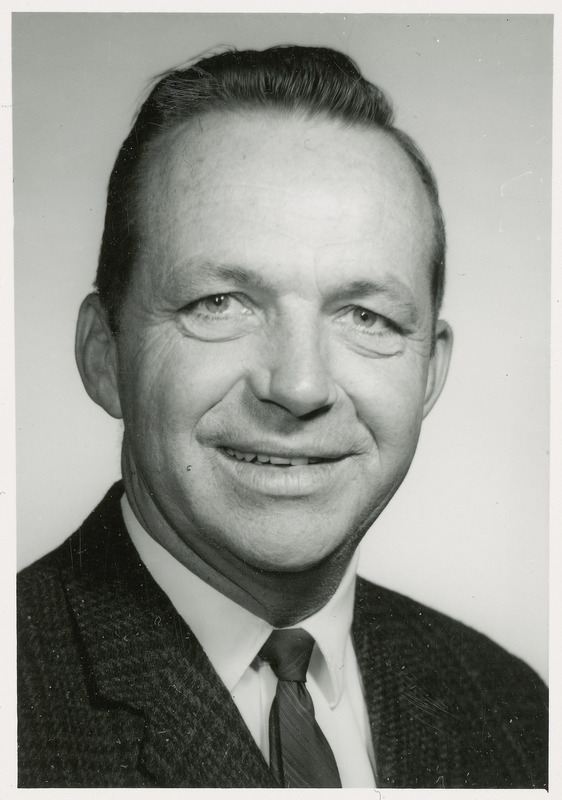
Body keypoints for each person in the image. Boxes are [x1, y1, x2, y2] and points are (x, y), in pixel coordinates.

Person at [17, 45, 548, 789]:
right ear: (104, 355)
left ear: (429, 371)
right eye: (220, 304)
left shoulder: (510, 707)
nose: (299, 387)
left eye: (366, 315)